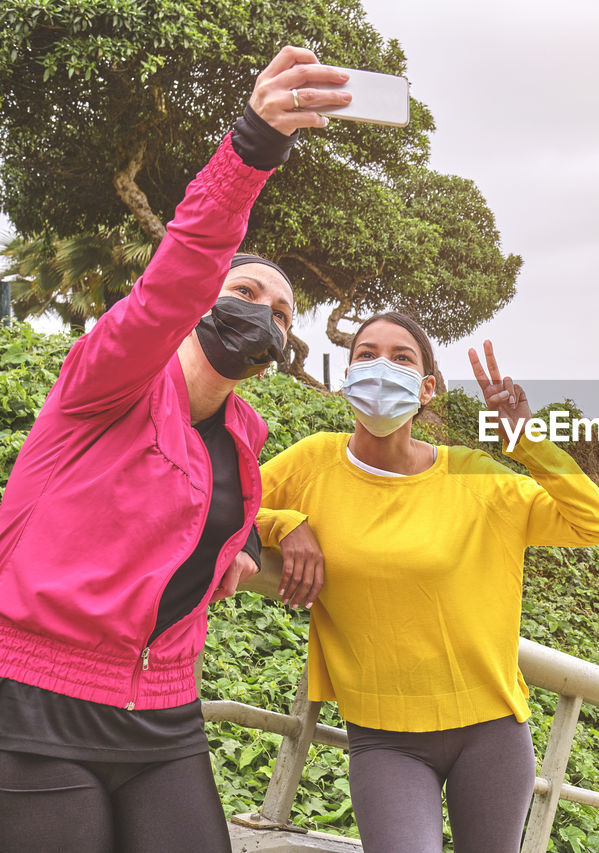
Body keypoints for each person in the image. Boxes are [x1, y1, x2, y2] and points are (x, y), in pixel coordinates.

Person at [0, 47, 349, 853]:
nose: (266, 315)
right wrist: (251, 148)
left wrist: (244, 541)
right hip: (40, 696)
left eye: (284, 313)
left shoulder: (246, 437)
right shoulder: (112, 377)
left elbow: (198, 516)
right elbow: (176, 275)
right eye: (246, 294)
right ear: (204, 303)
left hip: (162, 709)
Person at [256, 313, 599, 852]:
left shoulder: (472, 475)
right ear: (346, 375)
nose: (381, 368)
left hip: (491, 730)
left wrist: (526, 440)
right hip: (384, 738)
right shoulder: (311, 463)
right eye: (366, 354)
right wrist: (285, 524)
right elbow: (226, 507)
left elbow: (593, 523)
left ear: (427, 388)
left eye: (401, 358)